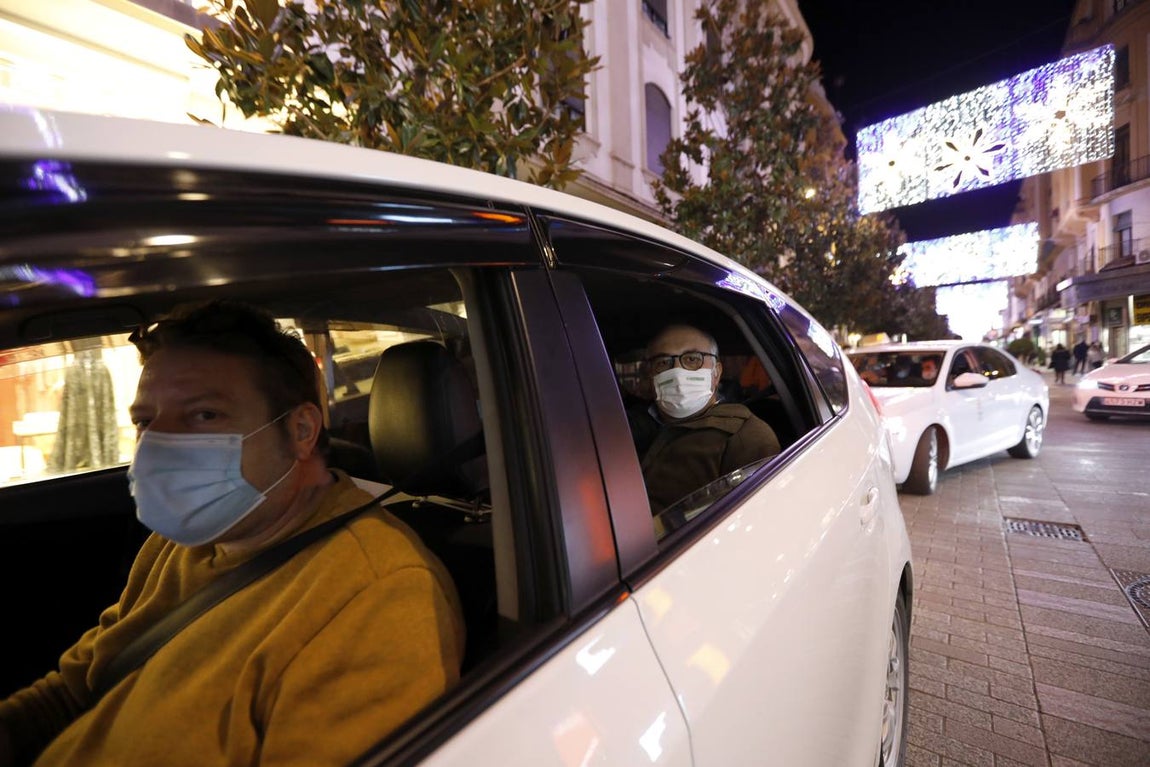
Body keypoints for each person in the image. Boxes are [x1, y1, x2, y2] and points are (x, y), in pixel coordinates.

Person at [0, 300, 465, 767]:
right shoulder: (184, 539)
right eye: (144, 421)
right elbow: (75, 689)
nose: (156, 445)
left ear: (301, 430)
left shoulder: (380, 594)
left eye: (204, 415)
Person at [627, 324, 781, 514]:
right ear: (651, 375)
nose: (677, 371)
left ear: (716, 373)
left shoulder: (745, 436)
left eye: (692, 359)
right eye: (663, 363)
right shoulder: (624, 425)